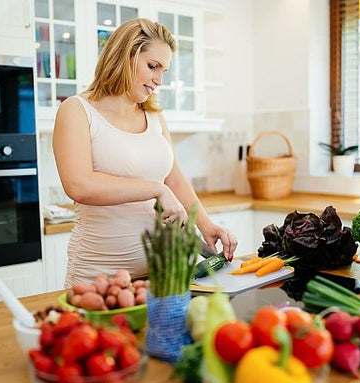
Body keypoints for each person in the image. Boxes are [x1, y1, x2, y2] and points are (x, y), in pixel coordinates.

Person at [53, 18, 237, 287]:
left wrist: (207, 225)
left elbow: (174, 178)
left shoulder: (153, 115)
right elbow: (79, 185)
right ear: (125, 57)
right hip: (99, 279)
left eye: (164, 71)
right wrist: (155, 189)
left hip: (160, 278)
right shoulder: (77, 110)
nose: (159, 80)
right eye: (153, 67)